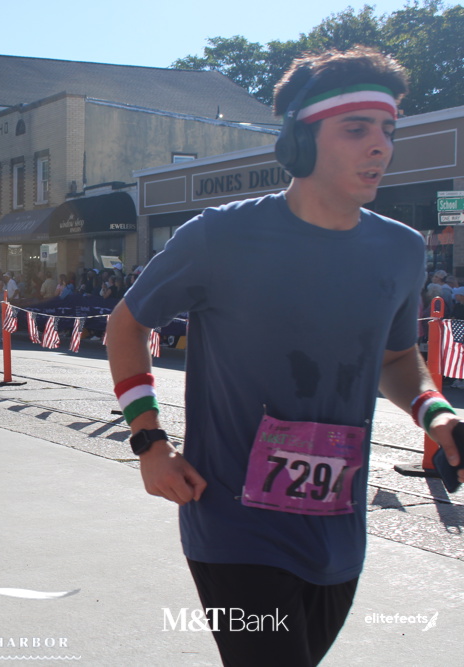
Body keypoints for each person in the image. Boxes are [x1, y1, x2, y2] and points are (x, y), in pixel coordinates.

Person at [105, 46, 463, 667]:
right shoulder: (220, 235)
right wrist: (149, 442)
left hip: (338, 531)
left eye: (388, 130)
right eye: (356, 129)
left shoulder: (402, 250)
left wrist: (438, 416)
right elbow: (126, 325)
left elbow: (396, 358)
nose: (379, 147)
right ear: (299, 139)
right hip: (233, 527)